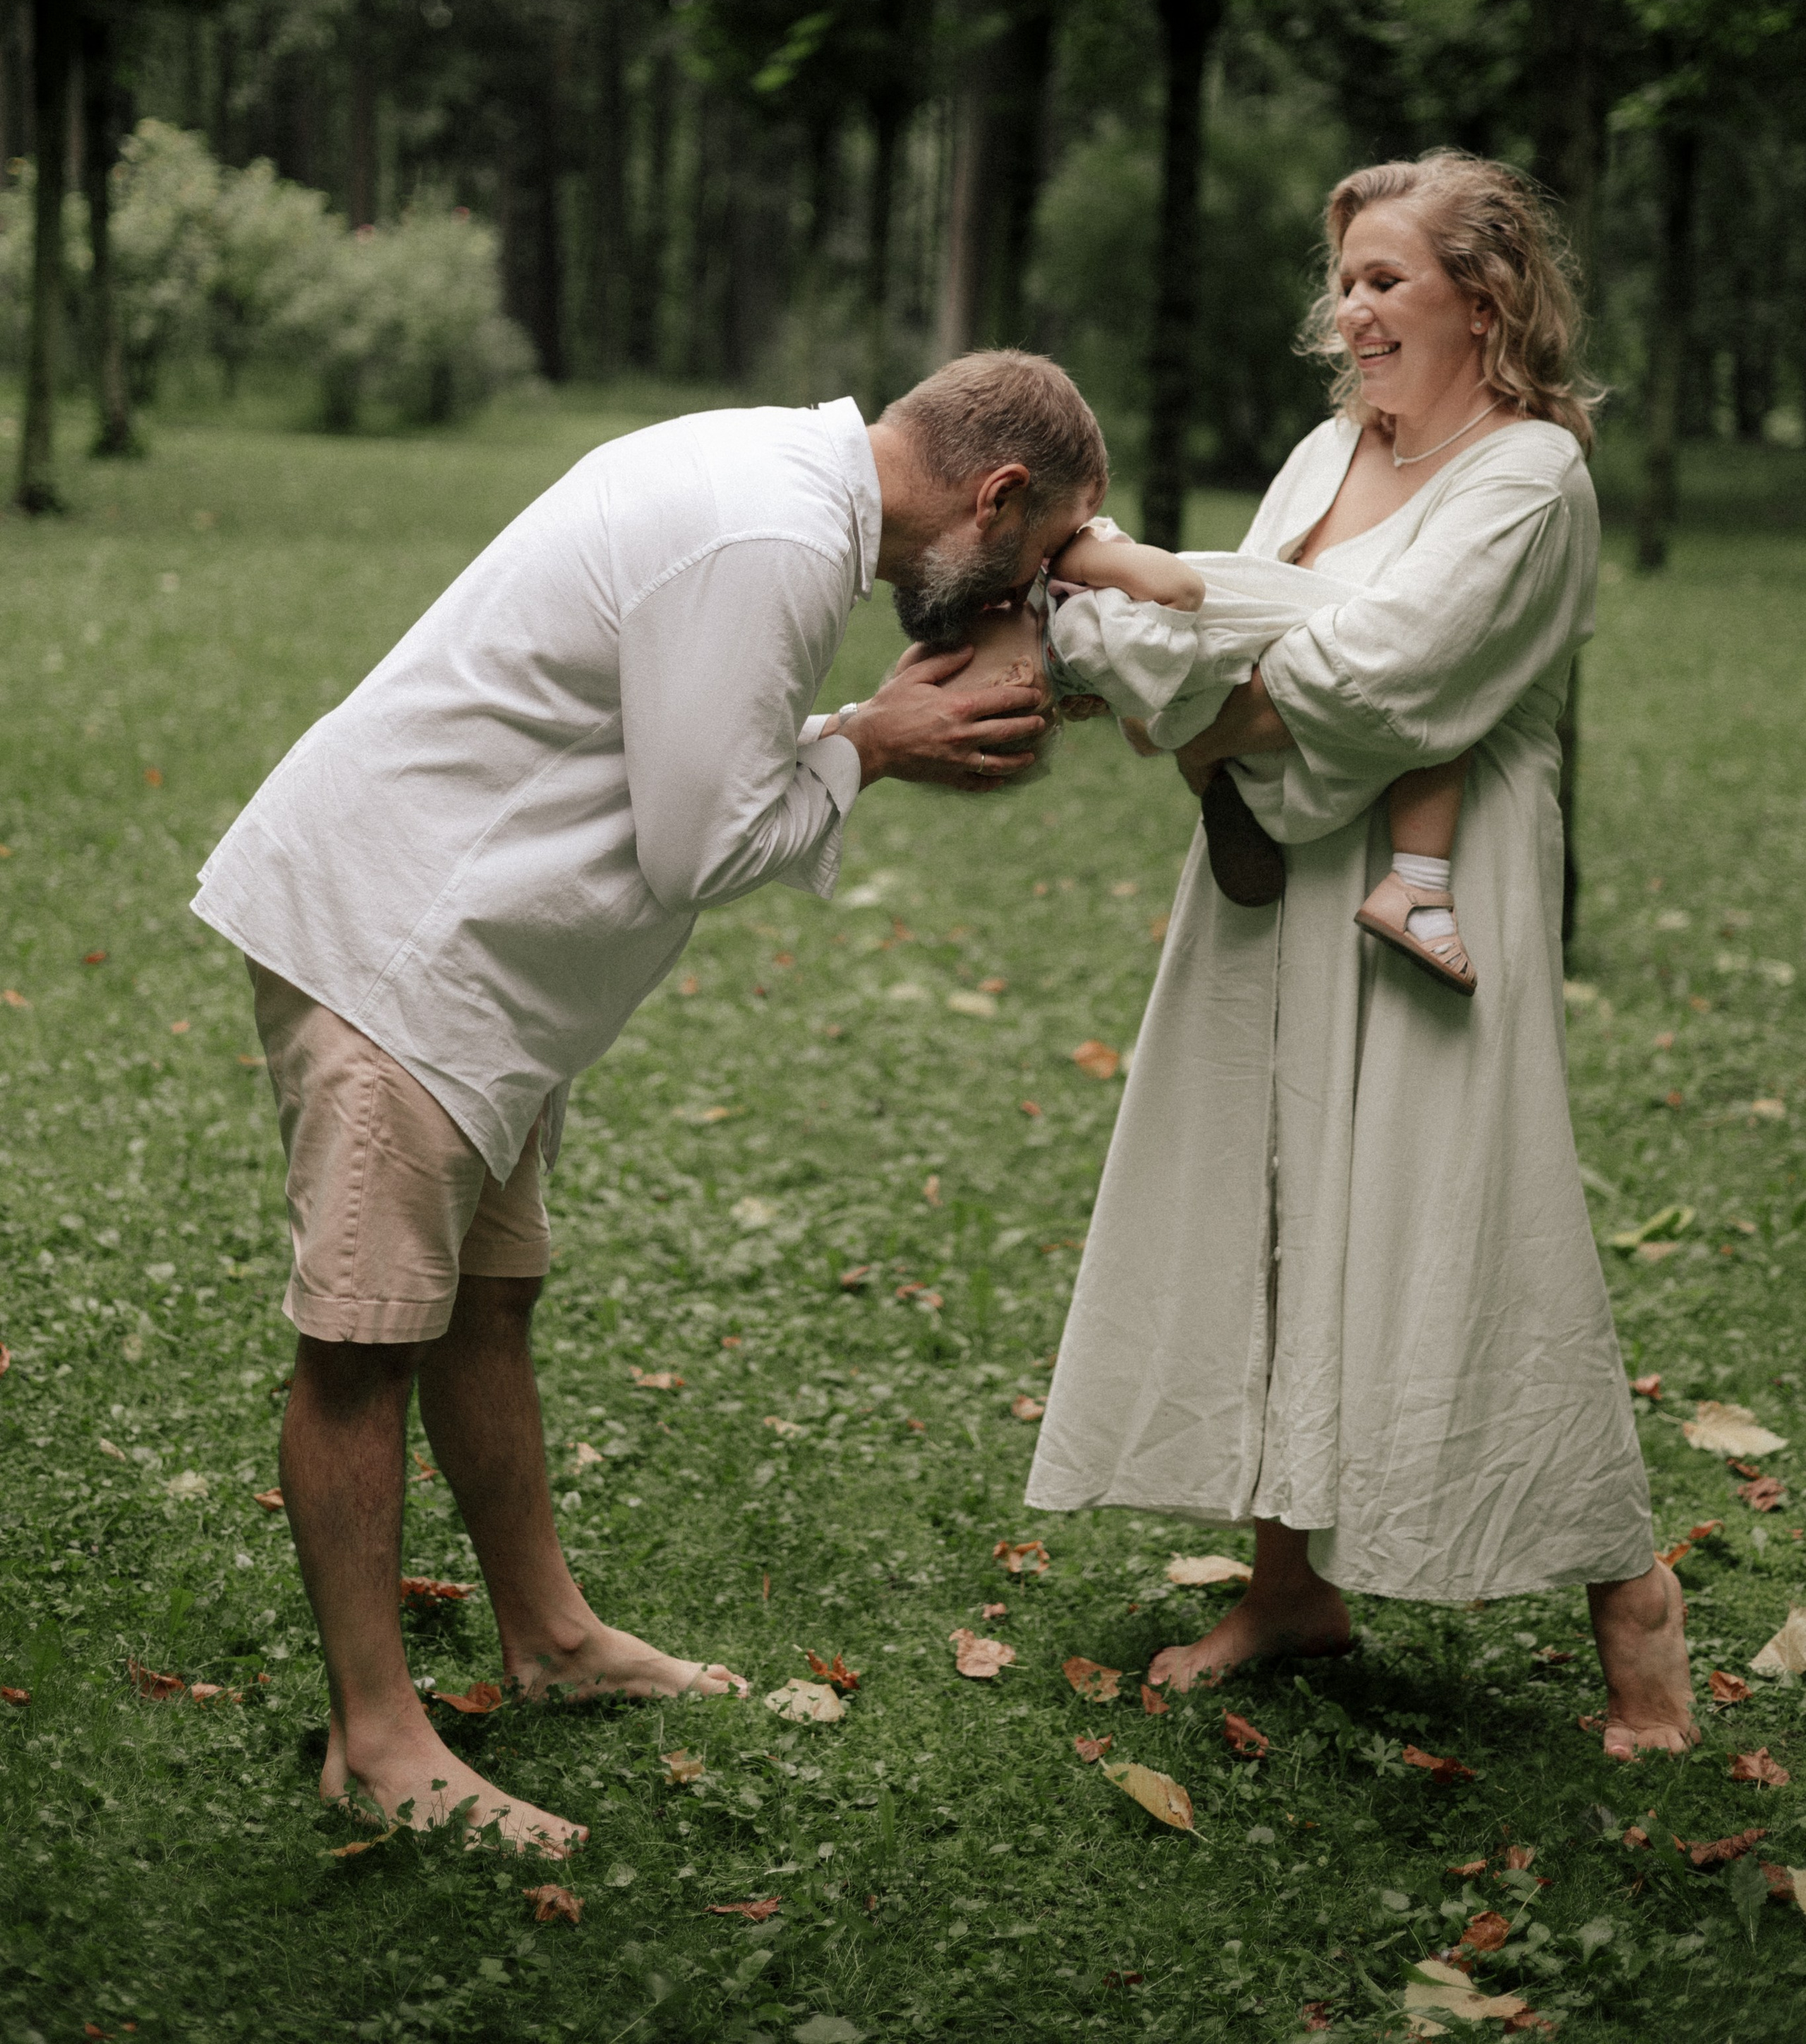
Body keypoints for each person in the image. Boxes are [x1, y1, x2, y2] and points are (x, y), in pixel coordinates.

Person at [193, 353, 1106, 1855]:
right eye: (1043, 552)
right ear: (995, 496)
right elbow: (705, 842)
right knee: (364, 1342)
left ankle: (550, 1639)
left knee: (487, 1302)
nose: (1029, 590)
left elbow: (685, 762)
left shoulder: (784, 488)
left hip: (477, 964)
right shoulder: (776, 532)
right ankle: (376, 1738)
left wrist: (854, 734)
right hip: (396, 939)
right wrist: (873, 746)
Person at [1026, 152, 1697, 1762]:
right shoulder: (1327, 450)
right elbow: (1202, 638)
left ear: (1484, 293)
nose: (1352, 309)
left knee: (1465, 1212)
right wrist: (1194, 680)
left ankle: (1635, 1606)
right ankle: (1288, 1586)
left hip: (1431, 888)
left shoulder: (1530, 477)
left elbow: (1381, 678)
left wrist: (1193, 698)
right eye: (1342, 282)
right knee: (1273, 1197)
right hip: (1268, 871)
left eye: (1385, 278)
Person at [1045, 524, 1482, 994]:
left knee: (1424, 691)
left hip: (1213, 662)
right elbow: (1181, 592)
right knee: (1437, 694)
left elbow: (1172, 605)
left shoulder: (1066, 602)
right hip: (1230, 653)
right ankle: (1419, 886)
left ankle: (1222, 777)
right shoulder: (1069, 613)